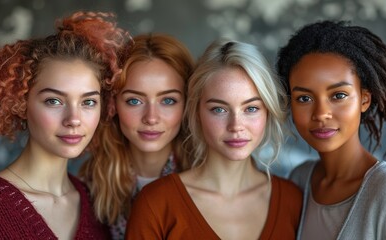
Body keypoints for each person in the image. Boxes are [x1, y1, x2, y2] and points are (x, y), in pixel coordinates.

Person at [0, 11, 130, 239]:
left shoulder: (95, 204)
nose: (74, 119)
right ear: (20, 102)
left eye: (88, 102)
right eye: (54, 101)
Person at [125, 40, 303, 239]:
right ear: (197, 111)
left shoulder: (293, 200)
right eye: (219, 109)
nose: (236, 125)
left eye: (251, 108)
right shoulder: (155, 203)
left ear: (268, 112)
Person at [276, 20, 386, 239]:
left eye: (338, 95)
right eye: (304, 98)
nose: (321, 113)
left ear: (364, 99)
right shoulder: (299, 180)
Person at [79, 33, 194, 239]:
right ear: (113, 104)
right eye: (134, 101)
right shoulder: (90, 185)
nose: (151, 118)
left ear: (187, 104)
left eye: (168, 100)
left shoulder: (205, 177)